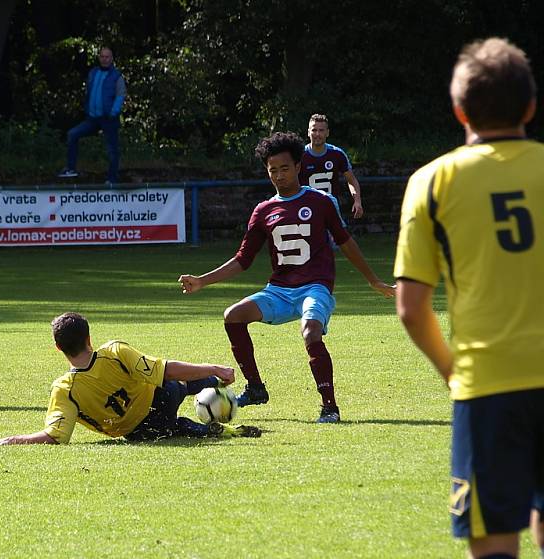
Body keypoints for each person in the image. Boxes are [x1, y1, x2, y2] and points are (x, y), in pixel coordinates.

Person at [394, 37, 544, 559]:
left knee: (495, 540)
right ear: (530, 106)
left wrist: (452, 372)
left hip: (488, 388)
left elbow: (411, 307)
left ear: (459, 111)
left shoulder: (432, 182)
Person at [179, 132, 394, 423]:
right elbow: (243, 259)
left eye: (284, 168)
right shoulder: (264, 210)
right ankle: (255, 388)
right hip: (279, 291)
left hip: (315, 288)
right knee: (233, 316)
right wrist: (203, 280)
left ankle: (329, 407)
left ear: (298, 166)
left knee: (310, 333)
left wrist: (373, 280)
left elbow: (346, 242)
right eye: (272, 170)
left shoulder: (322, 201)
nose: (278, 175)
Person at [0, 312, 261, 446]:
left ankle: (218, 430)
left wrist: (11, 440)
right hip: (160, 395)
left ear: (59, 348)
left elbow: (54, 436)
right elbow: (164, 369)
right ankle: (222, 386)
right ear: (89, 338)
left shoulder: (64, 390)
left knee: (174, 428)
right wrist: (215, 369)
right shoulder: (115, 351)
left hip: (140, 429)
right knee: (179, 384)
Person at [57, 46, 126, 183]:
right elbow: (88, 92)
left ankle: (112, 178)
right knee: (72, 134)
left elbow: (121, 95)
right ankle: (71, 168)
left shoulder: (117, 76)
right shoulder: (93, 73)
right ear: (99, 58)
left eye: (107, 57)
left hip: (108, 118)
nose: (104, 59)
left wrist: (114, 112)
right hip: (92, 118)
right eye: (102, 56)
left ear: (111, 59)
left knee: (112, 150)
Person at [299, 114, 364, 218]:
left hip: (331, 210)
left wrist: (357, 201)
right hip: (306, 211)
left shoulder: (337, 154)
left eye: (321, 130)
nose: (317, 134)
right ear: (308, 132)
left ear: (327, 133)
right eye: (314, 130)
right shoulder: (300, 156)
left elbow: (351, 180)